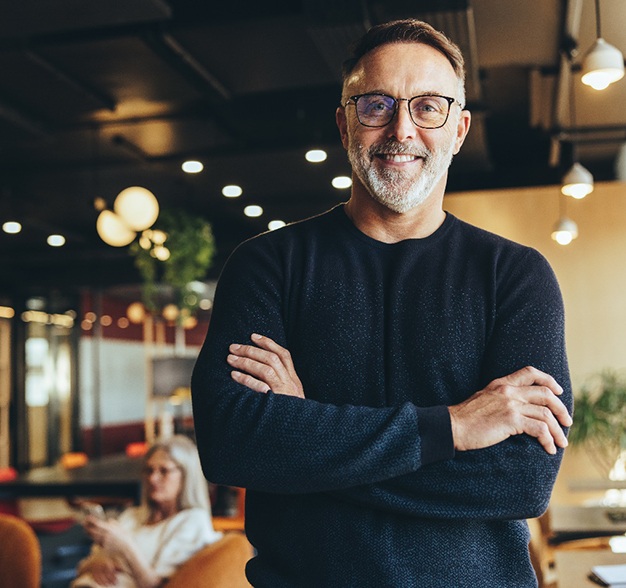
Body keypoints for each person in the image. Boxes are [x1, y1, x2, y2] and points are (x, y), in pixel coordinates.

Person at [191, 18, 573, 587]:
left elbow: (521, 481)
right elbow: (231, 444)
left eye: (428, 107)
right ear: (345, 124)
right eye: (375, 105)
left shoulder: (515, 275)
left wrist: (305, 431)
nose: (402, 130)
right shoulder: (266, 264)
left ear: (460, 128)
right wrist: (454, 427)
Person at [71, 435, 222, 588]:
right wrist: (96, 562)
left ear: (186, 476)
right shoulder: (132, 515)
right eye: (149, 471)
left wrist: (125, 548)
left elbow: (158, 586)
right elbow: (81, 567)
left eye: (164, 471)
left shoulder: (192, 521)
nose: (153, 479)